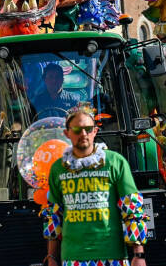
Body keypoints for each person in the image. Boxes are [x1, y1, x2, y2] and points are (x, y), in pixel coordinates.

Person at [42, 102, 148, 266]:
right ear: (67, 133)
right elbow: (53, 216)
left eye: (88, 129)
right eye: (77, 130)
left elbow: (132, 209)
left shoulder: (115, 162)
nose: (83, 134)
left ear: (95, 131)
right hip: (73, 258)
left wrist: (139, 255)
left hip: (113, 257)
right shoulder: (58, 169)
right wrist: (51, 257)